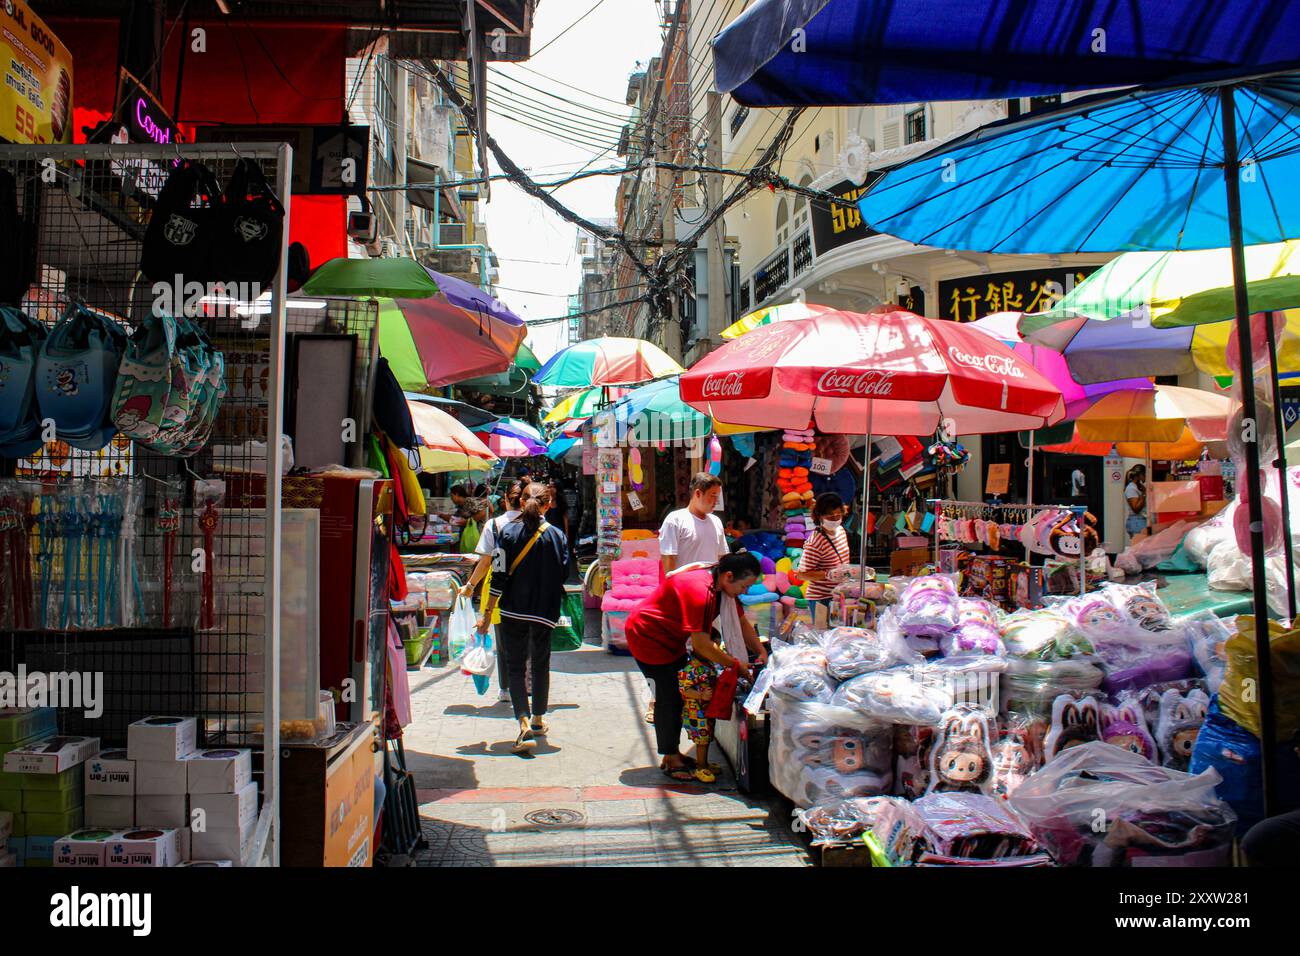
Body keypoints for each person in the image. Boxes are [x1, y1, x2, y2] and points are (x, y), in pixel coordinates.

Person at [624, 552, 767, 781]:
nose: (746, 592)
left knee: (682, 695)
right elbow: (701, 644)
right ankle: (670, 757)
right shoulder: (701, 592)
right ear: (728, 577)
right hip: (648, 637)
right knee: (669, 696)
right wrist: (735, 665)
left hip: (673, 640)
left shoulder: (723, 589)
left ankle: (675, 752)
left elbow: (740, 623)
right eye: (744, 586)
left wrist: (761, 651)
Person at [478, 482, 569, 754]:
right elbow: (563, 574)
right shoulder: (557, 536)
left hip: (512, 610)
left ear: (520, 503)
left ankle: (524, 721)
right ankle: (539, 719)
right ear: (548, 504)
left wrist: (485, 614)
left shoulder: (506, 533)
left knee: (515, 666)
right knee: (541, 663)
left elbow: (498, 576)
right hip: (544, 612)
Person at [646, 473, 731, 723]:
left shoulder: (715, 522)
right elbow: (669, 563)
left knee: (703, 650)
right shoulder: (675, 520)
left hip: (707, 599)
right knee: (671, 654)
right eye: (712, 496)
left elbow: (721, 559)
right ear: (697, 494)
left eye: (718, 496)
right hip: (681, 599)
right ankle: (655, 702)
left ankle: (698, 696)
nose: (715, 502)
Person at [459, 480, 524, 702]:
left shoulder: (493, 525)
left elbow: (485, 562)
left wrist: (469, 586)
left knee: (504, 641)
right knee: (529, 639)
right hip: (528, 587)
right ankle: (527, 684)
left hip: (498, 587)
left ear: (505, 500)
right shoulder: (537, 522)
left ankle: (505, 688)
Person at [799, 492, 852, 622]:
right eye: (830, 517)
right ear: (819, 516)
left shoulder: (841, 531)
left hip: (840, 595)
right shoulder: (816, 541)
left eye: (838, 515)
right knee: (824, 636)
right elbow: (802, 574)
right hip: (820, 599)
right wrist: (829, 574)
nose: (835, 519)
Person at [1124, 464, 1147, 539]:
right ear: (1140, 475)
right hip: (1137, 522)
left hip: (1139, 521)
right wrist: (1144, 494)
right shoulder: (1131, 488)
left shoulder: (1138, 486)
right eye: (1145, 474)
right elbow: (1136, 508)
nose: (1146, 476)